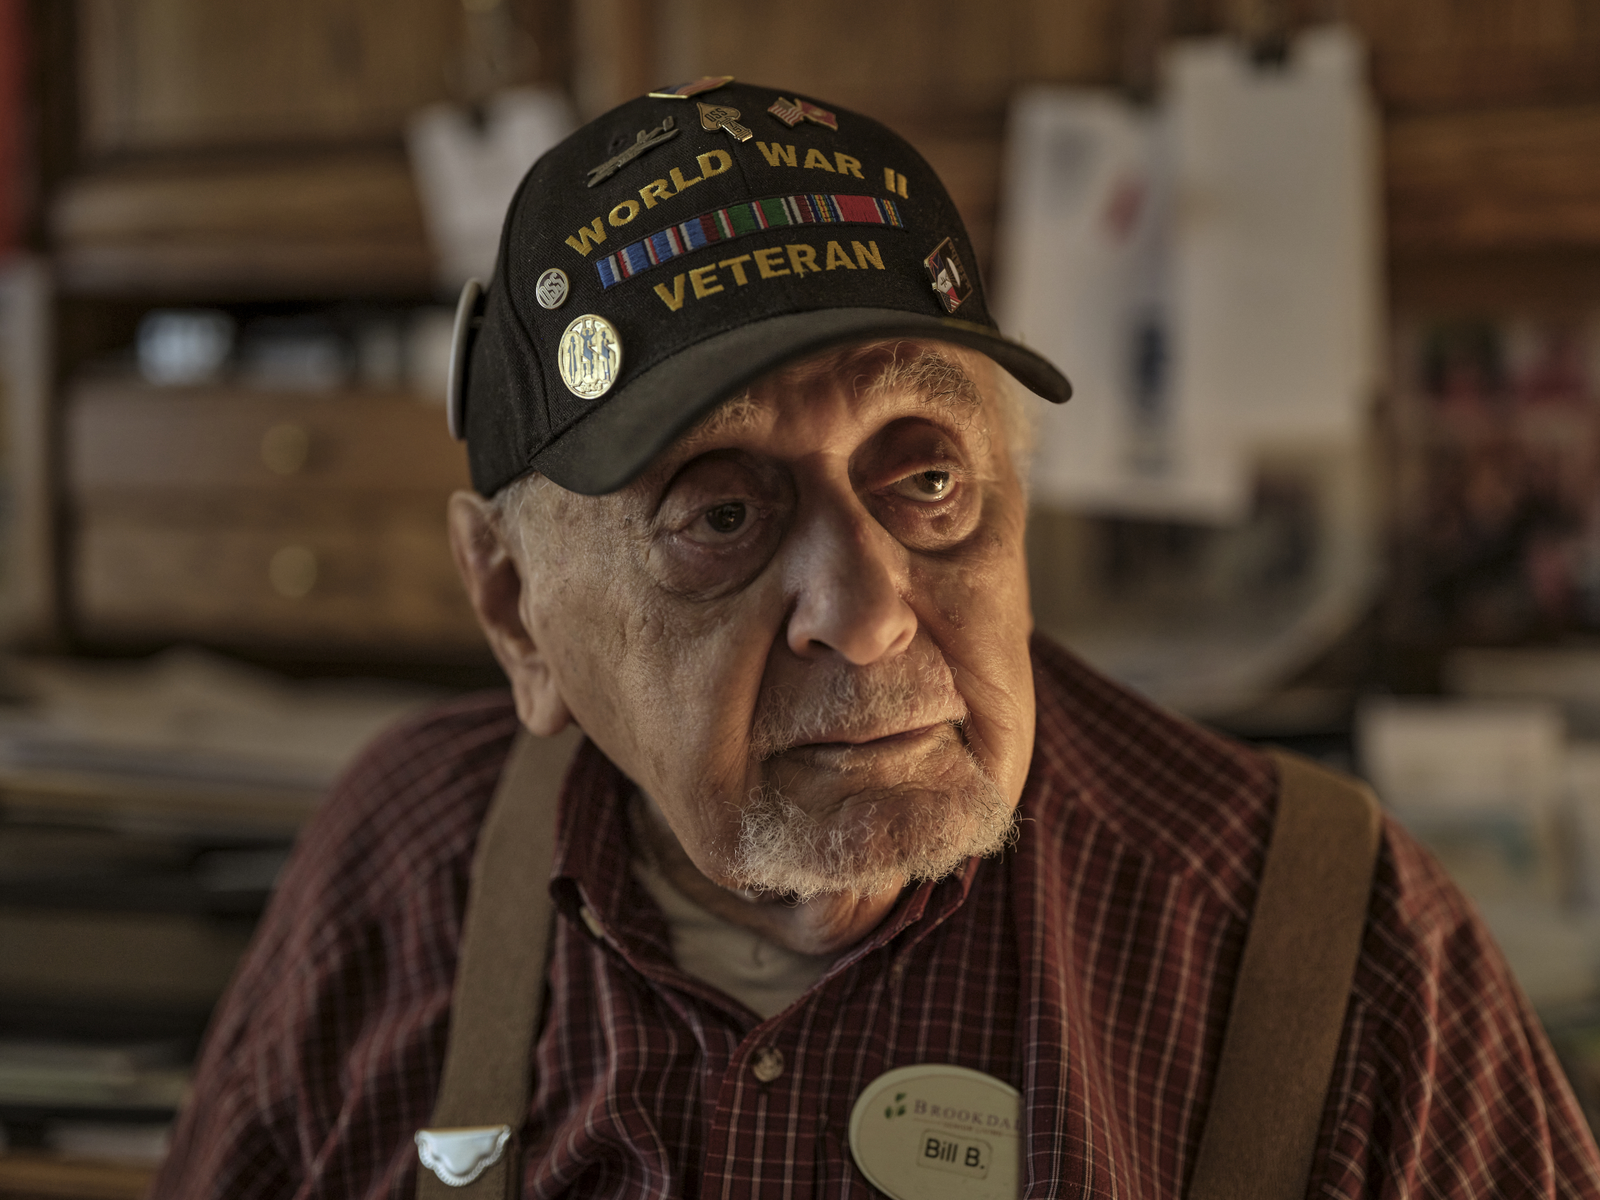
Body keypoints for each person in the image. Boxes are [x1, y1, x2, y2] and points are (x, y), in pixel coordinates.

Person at [154, 80, 1600, 1198]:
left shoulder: (1336, 944)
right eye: (719, 514)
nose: (866, 610)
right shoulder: (409, 858)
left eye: (926, 480)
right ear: (515, 610)